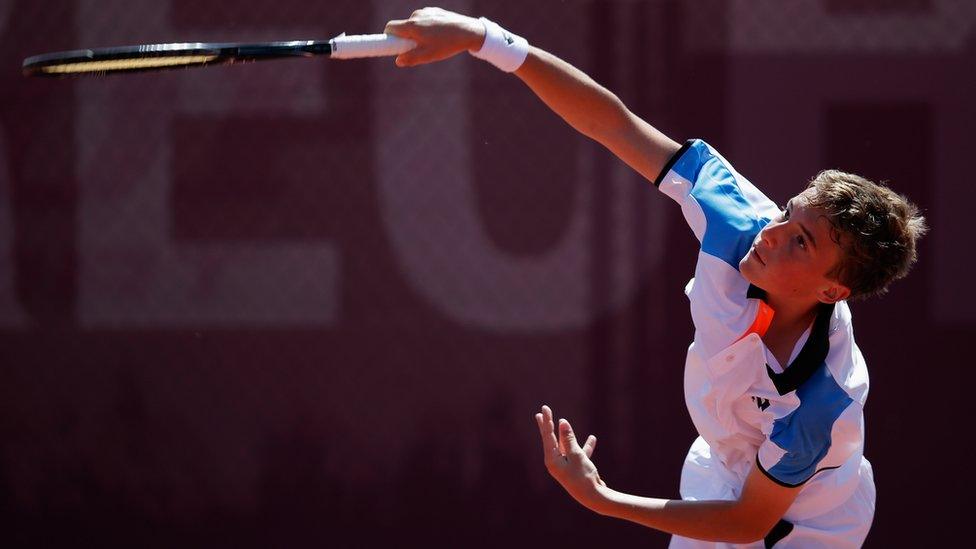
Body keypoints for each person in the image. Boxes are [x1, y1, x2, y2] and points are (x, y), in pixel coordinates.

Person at [384, 8, 927, 548]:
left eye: (800, 242)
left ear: (833, 290)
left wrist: (602, 499)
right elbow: (612, 123)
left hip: (807, 527)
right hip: (722, 473)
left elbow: (746, 524)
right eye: (788, 213)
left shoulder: (821, 405)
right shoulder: (738, 221)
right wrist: (485, 38)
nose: (774, 233)